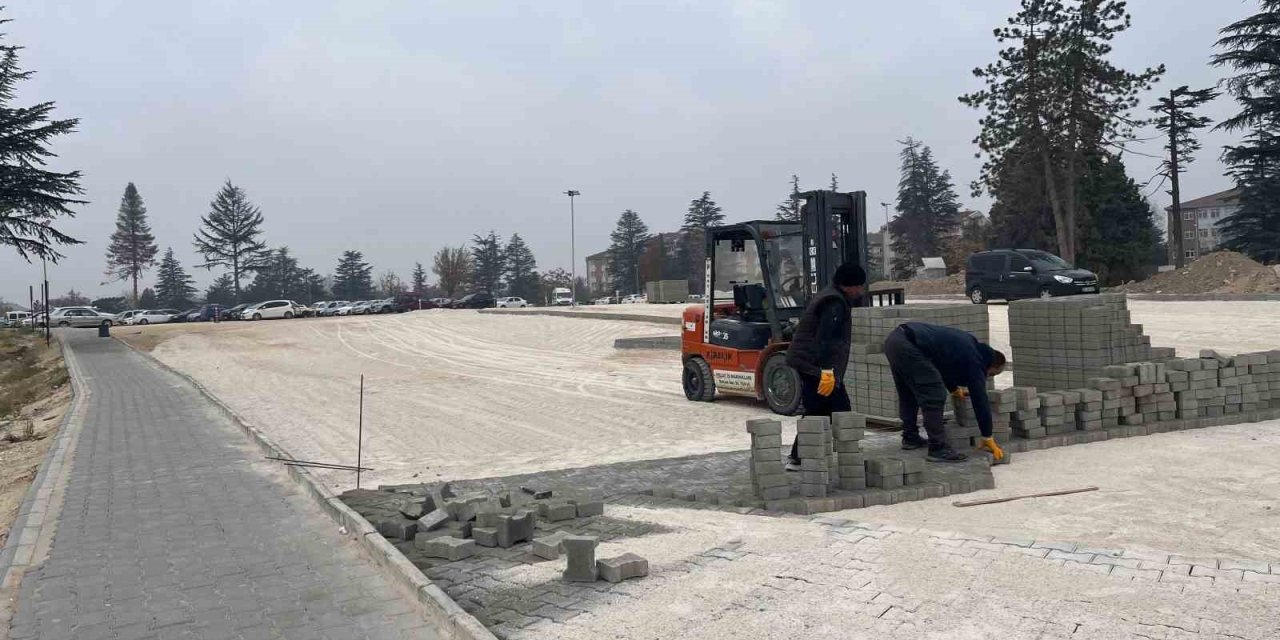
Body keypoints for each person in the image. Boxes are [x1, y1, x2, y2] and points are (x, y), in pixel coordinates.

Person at [882, 322, 1007, 463]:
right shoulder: (976, 361)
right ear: (992, 365)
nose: (988, 377)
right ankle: (938, 448)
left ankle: (910, 437)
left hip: (895, 341)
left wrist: (953, 389)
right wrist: (987, 436)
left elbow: (942, 365)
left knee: (908, 392)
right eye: (992, 374)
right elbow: (980, 400)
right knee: (934, 393)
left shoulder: (970, 346)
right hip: (909, 345)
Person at [783, 262, 867, 471]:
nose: (861, 290)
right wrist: (827, 372)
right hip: (816, 366)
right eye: (860, 286)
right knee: (839, 410)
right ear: (849, 285)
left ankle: (798, 457)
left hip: (811, 364)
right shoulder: (834, 303)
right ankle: (849, 460)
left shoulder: (831, 296)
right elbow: (825, 340)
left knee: (818, 410)